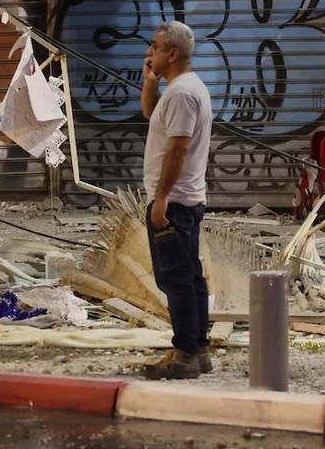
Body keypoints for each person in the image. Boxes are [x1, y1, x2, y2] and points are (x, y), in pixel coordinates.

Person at [139, 21, 214, 380]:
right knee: (189, 275)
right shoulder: (178, 90)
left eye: (154, 47)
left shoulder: (184, 93)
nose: (149, 53)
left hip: (176, 203)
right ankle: (197, 349)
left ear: (172, 54)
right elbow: (151, 115)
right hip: (182, 200)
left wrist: (161, 199)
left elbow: (178, 149)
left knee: (177, 279)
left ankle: (186, 354)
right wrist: (150, 81)